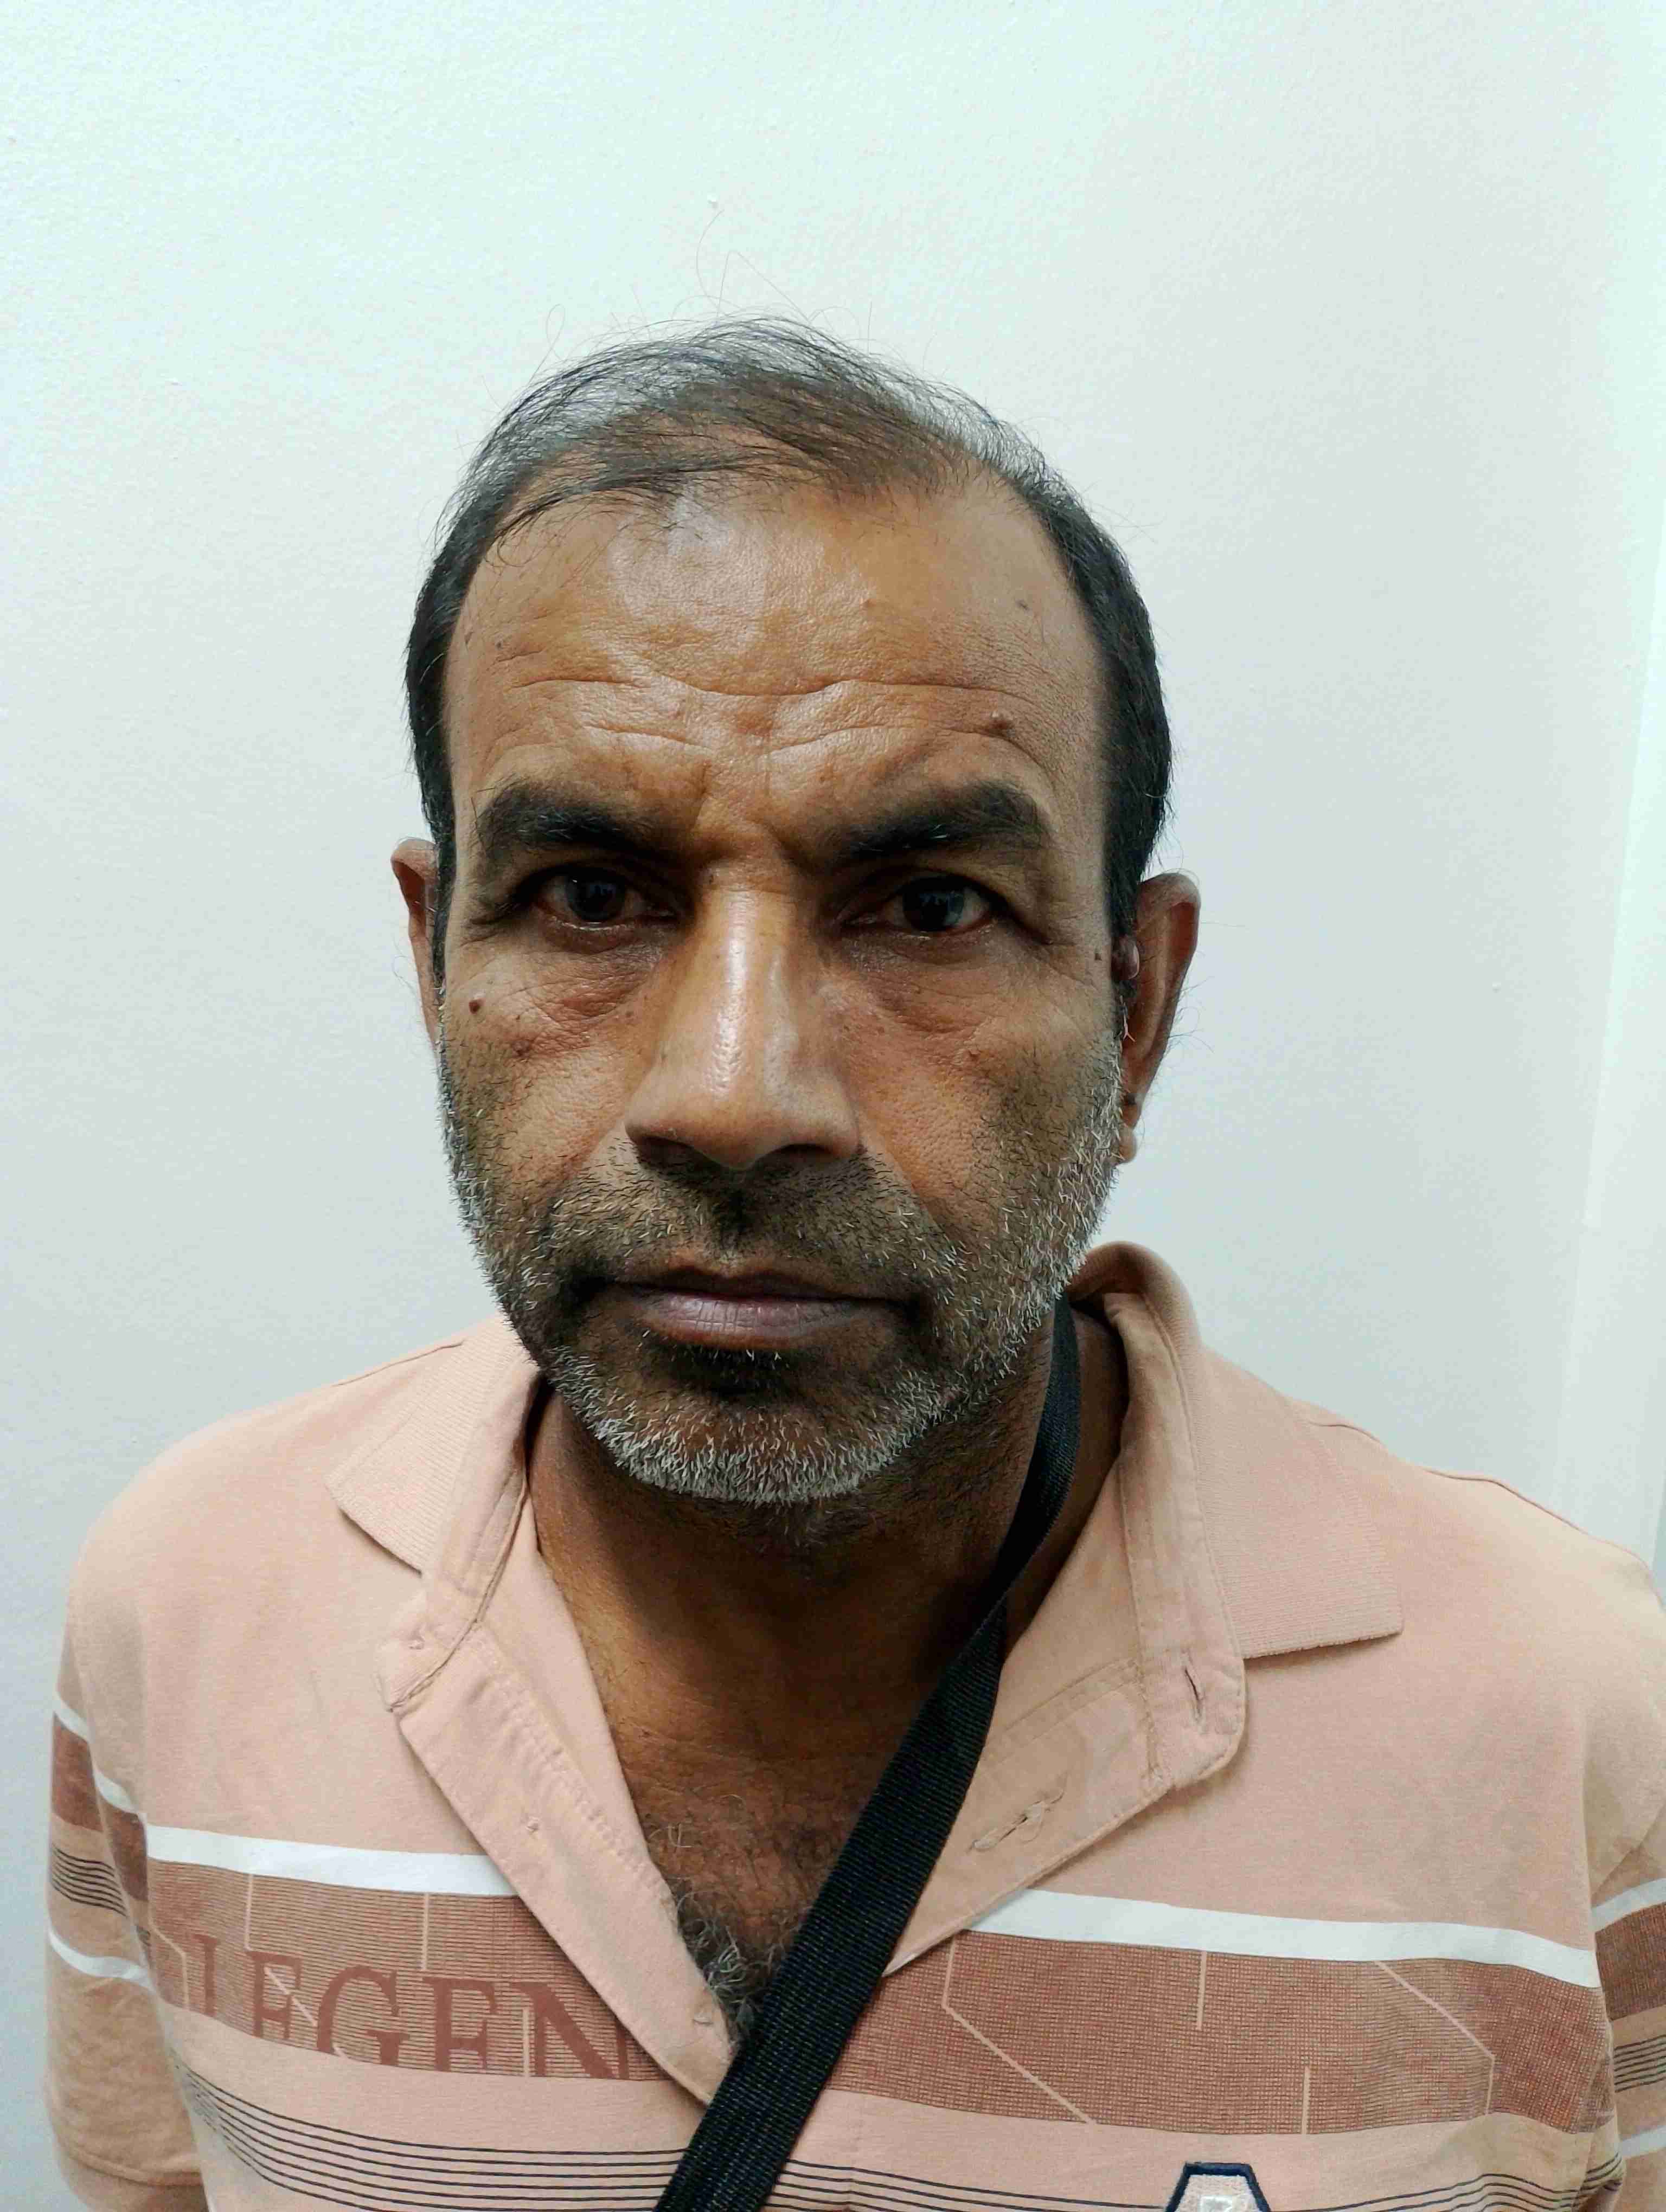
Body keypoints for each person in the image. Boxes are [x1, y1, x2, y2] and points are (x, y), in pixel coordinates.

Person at [44, 319, 1666, 2212]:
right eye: (591, 896)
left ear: (1135, 1011)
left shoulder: (1565, 1724)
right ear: (434, 962)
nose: (735, 1096)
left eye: (930, 906)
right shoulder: (190, 1607)